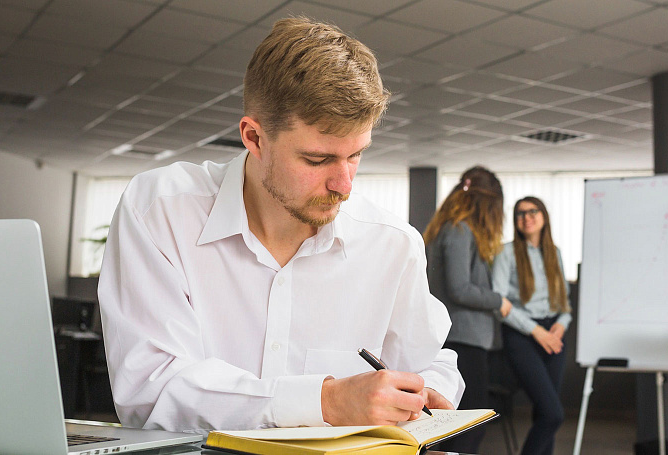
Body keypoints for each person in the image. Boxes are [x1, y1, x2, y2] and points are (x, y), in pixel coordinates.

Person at [97, 17, 463, 434]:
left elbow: (431, 359)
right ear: (254, 137)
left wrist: (428, 387)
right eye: (317, 159)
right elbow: (152, 390)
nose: (343, 185)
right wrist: (325, 402)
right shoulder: (160, 212)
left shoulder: (393, 244)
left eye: (356, 155)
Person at [423, 166, 513, 453]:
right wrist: (498, 301)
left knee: (457, 425)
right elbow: (459, 288)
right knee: (468, 427)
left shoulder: (450, 227)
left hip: (463, 337)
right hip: (463, 339)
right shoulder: (459, 229)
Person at [491, 196, 571, 455]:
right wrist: (536, 331)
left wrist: (561, 324)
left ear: (544, 216)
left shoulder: (554, 253)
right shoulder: (506, 252)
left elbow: (564, 303)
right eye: (520, 213)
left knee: (544, 414)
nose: (527, 217)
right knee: (553, 413)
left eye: (533, 211)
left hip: (553, 334)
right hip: (522, 336)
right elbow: (499, 302)